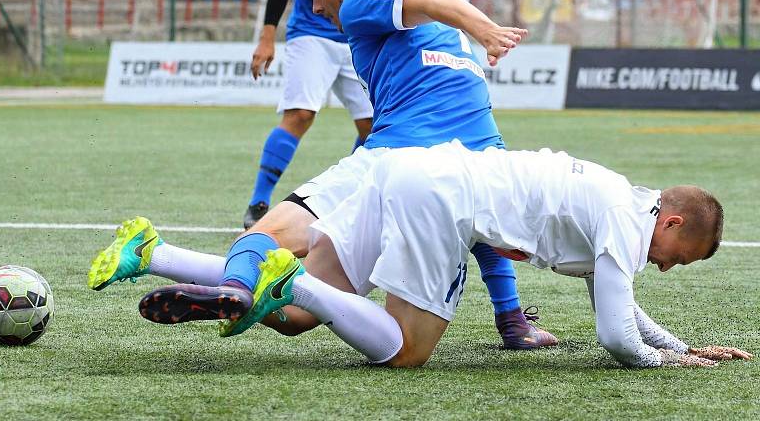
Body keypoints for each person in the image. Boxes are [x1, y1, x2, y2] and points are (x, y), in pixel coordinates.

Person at [89, 0, 558, 350]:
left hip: (390, 163)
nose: (315, 5)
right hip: (446, 182)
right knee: (308, 314)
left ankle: (183, 264)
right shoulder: (444, 52)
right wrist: (510, 318)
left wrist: (486, 30)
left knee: (271, 262)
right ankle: (200, 272)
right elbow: (488, 234)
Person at [140, 141, 753, 369]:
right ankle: (289, 280)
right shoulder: (627, 219)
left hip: (406, 170)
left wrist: (681, 347)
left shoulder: (622, 203)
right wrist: (672, 365)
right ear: (670, 221)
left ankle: (152, 251)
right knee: (406, 352)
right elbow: (618, 337)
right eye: (679, 255)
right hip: (440, 200)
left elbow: (623, 311)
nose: (668, 267)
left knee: (297, 323)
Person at [242, 0, 409, 229]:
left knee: (374, 127)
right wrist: (267, 37)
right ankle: (257, 203)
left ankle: (349, 200)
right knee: (301, 115)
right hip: (313, 32)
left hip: (360, 39)